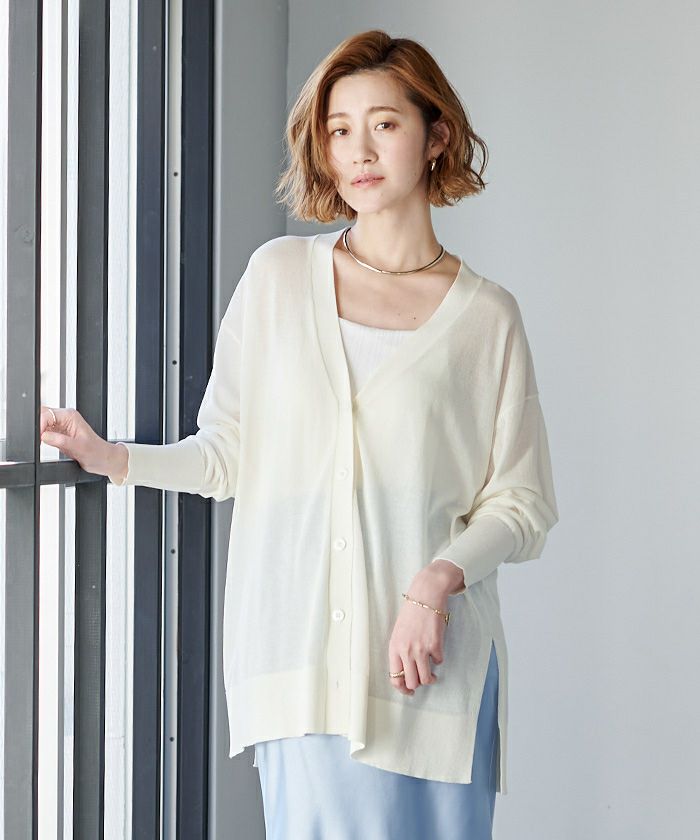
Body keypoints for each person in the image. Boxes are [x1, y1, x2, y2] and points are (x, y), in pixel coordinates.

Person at [41, 29, 558, 840]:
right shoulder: (278, 278)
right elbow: (227, 455)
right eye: (339, 129)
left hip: (434, 673)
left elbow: (522, 503)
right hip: (303, 665)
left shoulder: (486, 318)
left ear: (436, 137)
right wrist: (114, 460)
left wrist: (436, 583)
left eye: (384, 124)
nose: (359, 150)